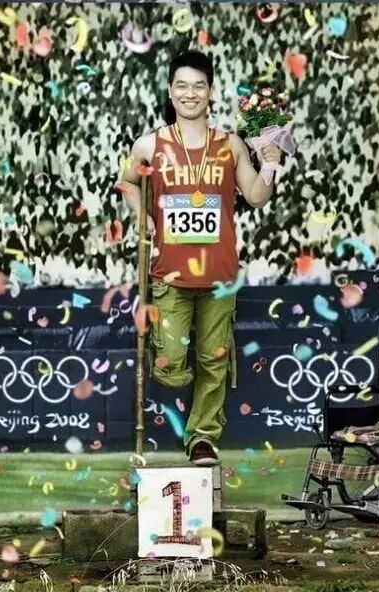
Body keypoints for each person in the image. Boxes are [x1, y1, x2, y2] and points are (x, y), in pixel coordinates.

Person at [121, 50, 282, 466]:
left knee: (214, 360)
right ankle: (180, 384)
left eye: (199, 86)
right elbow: (127, 183)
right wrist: (143, 217)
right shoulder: (149, 144)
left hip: (220, 276)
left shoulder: (230, 145)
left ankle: (202, 440)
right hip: (169, 275)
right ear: (170, 91)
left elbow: (256, 197)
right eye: (182, 85)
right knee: (170, 364)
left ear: (210, 92)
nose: (190, 93)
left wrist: (270, 166)